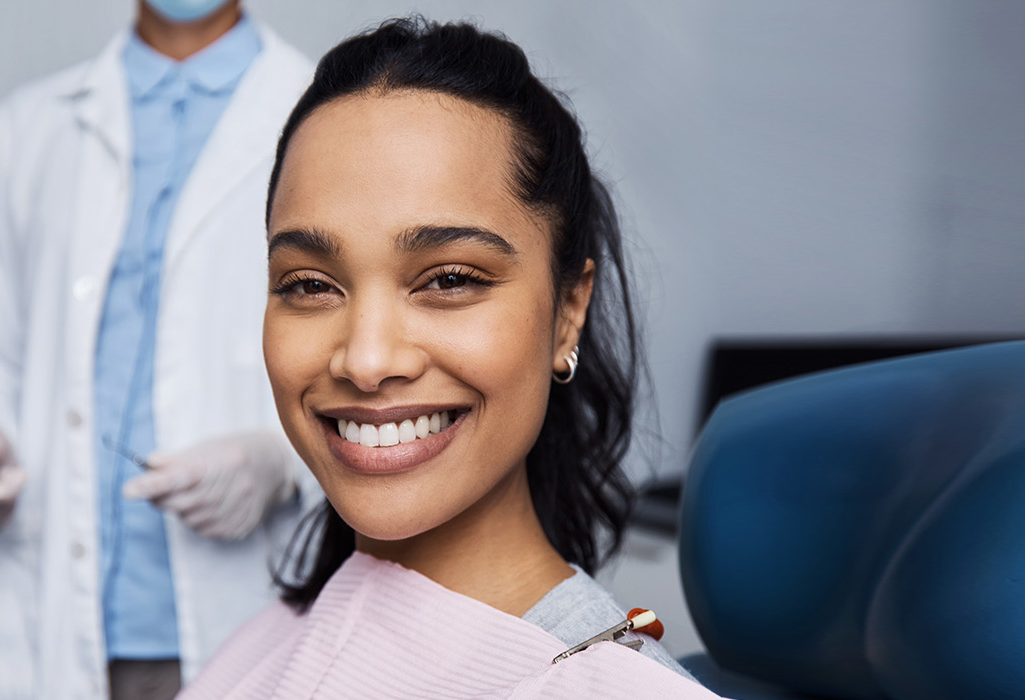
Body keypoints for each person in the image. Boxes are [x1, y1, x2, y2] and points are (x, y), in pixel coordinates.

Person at [180, 18, 719, 698]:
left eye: (450, 279)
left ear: (567, 311)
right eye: (310, 285)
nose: (367, 361)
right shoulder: (261, 645)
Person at [0, 2, 315, 699]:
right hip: (45, 623)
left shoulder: (319, 114)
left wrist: (285, 461)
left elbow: (369, 355)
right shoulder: (33, 124)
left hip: (245, 620)